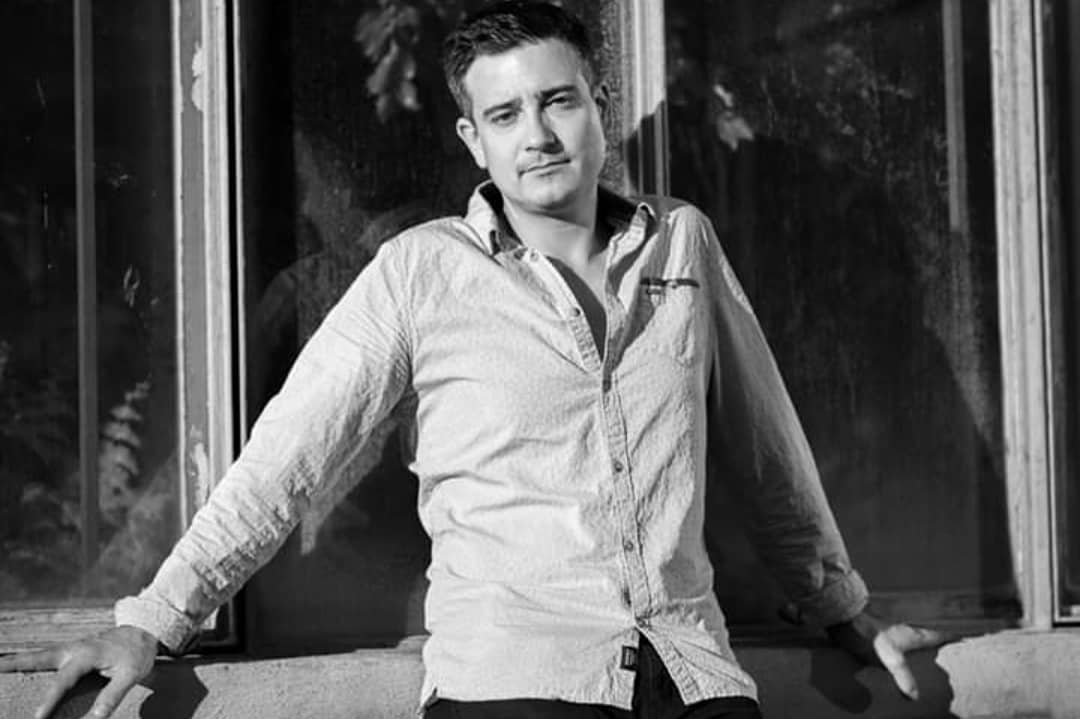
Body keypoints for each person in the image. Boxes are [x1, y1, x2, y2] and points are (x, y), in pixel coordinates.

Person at [0, 2, 945, 717]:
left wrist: (842, 607)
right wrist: (154, 617)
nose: (537, 134)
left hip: (694, 676)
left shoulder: (683, 244)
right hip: (514, 683)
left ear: (598, 106)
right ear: (474, 139)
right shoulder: (422, 271)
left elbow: (768, 448)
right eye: (506, 114)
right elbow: (288, 458)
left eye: (558, 100)